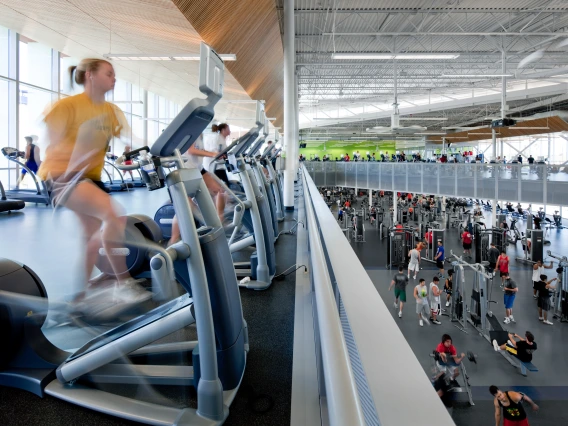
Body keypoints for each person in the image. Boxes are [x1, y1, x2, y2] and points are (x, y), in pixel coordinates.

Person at [37, 58, 151, 303]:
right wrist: (74, 158)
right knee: (114, 215)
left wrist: (134, 158)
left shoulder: (111, 111)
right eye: (109, 73)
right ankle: (123, 283)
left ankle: (81, 295)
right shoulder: (67, 106)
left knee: (92, 236)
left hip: (90, 178)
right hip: (62, 176)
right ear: (90, 75)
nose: (114, 78)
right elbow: (52, 140)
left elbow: (127, 141)